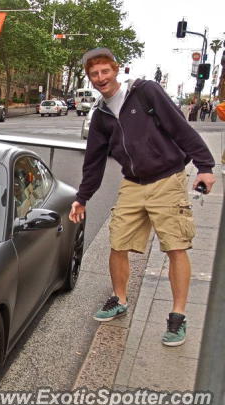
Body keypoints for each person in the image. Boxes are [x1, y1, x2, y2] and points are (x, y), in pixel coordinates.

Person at [69, 48, 216, 346]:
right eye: (94, 74)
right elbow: (94, 162)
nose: (100, 79)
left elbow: (179, 126)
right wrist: (82, 198)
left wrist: (205, 166)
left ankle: (177, 316)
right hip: (133, 183)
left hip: (167, 179)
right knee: (118, 241)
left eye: (105, 72)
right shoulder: (100, 116)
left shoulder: (146, 92)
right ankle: (119, 299)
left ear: (116, 70)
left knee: (175, 246)